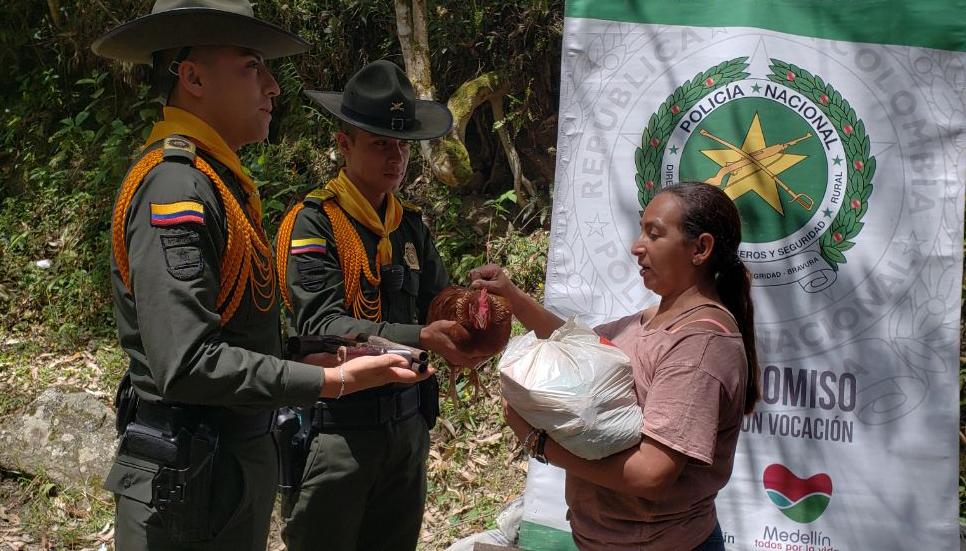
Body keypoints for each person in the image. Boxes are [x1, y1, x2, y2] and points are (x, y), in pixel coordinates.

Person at [93, 3, 431, 549]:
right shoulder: (176, 189)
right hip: (189, 477)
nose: (273, 87)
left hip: (224, 468)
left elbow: (232, 334)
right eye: (253, 66)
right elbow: (186, 362)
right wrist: (329, 382)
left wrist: (307, 358)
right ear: (194, 77)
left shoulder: (214, 182)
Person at [470, 182, 761, 551]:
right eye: (641, 231)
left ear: (700, 248)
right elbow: (582, 349)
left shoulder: (699, 346)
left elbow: (651, 474)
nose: (636, 247)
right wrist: (512, 297)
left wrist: (539, 444)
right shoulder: (655, 320)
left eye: (654, 234)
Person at [276, 60, 485, 550]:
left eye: (402, 145)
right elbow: (320, 323)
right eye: (379, 144)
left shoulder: (409, 223)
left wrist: (473, 308)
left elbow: (438, 298)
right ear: (344, 144)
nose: (395, 158)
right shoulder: (315, 224)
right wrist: (421, 338)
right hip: (339, 430)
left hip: (407, 425)